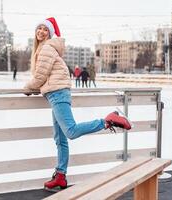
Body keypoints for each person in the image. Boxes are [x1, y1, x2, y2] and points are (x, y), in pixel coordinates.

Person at [23, 17, 132, 192]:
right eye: (39, 28)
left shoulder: (47, 48)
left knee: (70, 131)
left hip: (57, 93)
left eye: (45, 29)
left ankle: (107, 121)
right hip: (55, 94)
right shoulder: (45, 49)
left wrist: (27, 88)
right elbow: (44, 76)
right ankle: (60, 176)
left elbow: (40, 76)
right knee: (60, 138)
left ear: (50, 33)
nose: (41, 31)